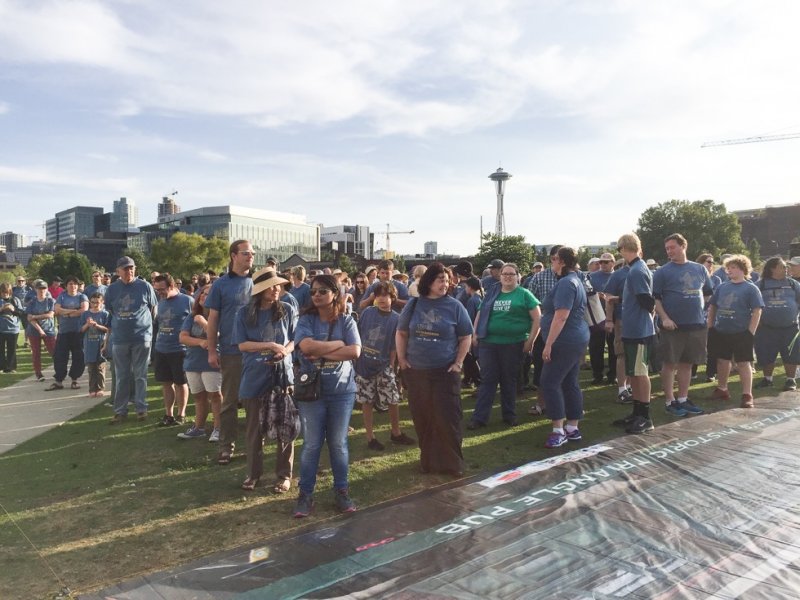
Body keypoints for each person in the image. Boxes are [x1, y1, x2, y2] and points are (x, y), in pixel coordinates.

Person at [293, 274, 361, 517]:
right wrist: (338, 344)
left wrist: (321, 352)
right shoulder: (306, 319)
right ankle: (305, 494)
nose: (316, 295)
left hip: (342, 392)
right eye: (313, 292)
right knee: (311, 444)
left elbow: (354, 352)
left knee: (338, 444)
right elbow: (306, 347)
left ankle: (341, 491)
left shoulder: (346, 320)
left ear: (335, 293)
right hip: (312, 392)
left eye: (322, 291)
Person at [396, 262, 473, 477]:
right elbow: (401, 333)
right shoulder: (414, 304)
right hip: (417, 372)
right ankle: (428, 462)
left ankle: (453, 464)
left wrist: (458, 363)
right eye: (440, 280)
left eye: (447, 281)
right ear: (429, 281)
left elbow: (466, 336)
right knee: (424, 418)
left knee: (448, 419)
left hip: (445, 372)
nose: (445, 284)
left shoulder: (455, 306)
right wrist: (402, 360)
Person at [234, 269, 297, 493]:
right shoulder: (243, 313)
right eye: (272, 285)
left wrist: (285, 351)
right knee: (254, 430)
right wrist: (270, 345)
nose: (277, 288)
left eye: (278, 285)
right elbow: (242, 344)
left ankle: (284, 475)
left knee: (285, 426)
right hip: (254, 376)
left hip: (282, 376)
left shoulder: (287, 309)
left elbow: (294, 339)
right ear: (260, 290)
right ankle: (253, 474)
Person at [469, 263, 541, 429]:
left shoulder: (524, 294)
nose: (508, 277)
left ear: (517, 276)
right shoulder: (492, 293)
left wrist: (530, 341)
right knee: (488, 380)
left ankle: (509, 415)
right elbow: (480, 313)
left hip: (513, 344)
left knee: (509, 380)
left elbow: (538, 318)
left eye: (511, 274)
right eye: (505, 274)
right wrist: (475, 333)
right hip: (489, 343)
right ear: (500, 277)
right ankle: (479, 418)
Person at [205, 240, 255, 464]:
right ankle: (226, 446)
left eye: (252, 253)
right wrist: (212, 350)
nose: (251, 256)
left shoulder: (258, 282)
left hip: (255, 351)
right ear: (233, 256)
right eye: (246, 253)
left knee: (255, 401)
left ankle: (255, 444)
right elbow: (212, 319)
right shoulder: (220, 285)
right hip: (231, 351)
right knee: (230, 402)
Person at [652, 234, 712, 417]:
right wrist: (664, 318)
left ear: (683, 246)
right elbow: (656, 299)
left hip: (695, 325)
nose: (669, 251)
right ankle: (670, 401)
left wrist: (700, 311)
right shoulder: (662, 272)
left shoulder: (700, 269)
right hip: (672, 326)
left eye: (672, 247)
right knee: (670, 364)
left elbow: (708, 293)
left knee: (687, 364)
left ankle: (683, 399)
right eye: (667, 248)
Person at [536, 248, 590, 447]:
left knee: (549, 382)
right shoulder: (574, 280)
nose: (551, 262)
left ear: (562, 262)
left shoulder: (567, 283)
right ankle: (572, 428)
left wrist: (548, 344)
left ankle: (558, 430)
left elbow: (561, 316)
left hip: (565, 340)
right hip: (574, 338)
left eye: (554, 259)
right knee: (569, 381)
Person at [355, 281, 415, 451]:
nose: (381, 299)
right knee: (366, 401)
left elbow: (394, 346)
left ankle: (396, 432)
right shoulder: (368, 312)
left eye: (385, 295)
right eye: (378, 295)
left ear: (392, 297)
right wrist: (357, 361)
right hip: (364, 364)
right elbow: (358, 335)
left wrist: (392, 366)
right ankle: (370, 437)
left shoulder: (396, 318)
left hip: (383, 365)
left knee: (392, 399)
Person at [106, 256, 159, 424]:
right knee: (121, 376)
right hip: (120, 338)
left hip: (141, 337)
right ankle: (120, 411)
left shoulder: (145, 286)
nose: (129, 271)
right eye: (125, 268)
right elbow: (111, 310)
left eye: (131, 268)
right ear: (118, 271)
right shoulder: (112, 289)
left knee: (140, 375)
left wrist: (145, 327)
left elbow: (153, 309)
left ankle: (141, 409)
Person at [707, 255, 764, 408]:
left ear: (743, 269)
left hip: (742, 332)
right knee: (722, 360)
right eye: (728, 268)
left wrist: (750, 332)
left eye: (733, 267)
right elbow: (713, 306)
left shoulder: (751, 288)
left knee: (743, 363)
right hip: (721, 331)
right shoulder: (722, 287)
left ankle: (747, 394)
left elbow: (757, 310)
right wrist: (710, 326)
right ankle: (722, 389)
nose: (729, 270)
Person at [615, 233, 657, 434]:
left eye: (619, 249)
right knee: (633, 373)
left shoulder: (637, 270)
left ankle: (645, 417)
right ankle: (637, 412)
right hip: (633, 329)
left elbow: (647, 300)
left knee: (640, 374)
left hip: (640, 330)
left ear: (624, 248)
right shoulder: (636, 268)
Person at [177, 283, 222, 442]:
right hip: (193, 362)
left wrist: (203, 322)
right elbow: (183, 337)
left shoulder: (220, 315)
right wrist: (200, 342)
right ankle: (199, 428)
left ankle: (218, 428)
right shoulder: (192, 316)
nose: (204, 296)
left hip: (212, 362)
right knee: (198, 397)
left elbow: (218, 336)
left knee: (215, 396)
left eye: (208, 294)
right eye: (203, 293)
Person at [152, 274, 193, 426]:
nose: (159, 293)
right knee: (166, 383)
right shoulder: (161, 302)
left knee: (180, 383)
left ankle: (181, 414)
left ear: (171, 286)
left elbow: (196, 320)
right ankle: (168, 415)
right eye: (157, 290)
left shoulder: (187, 301)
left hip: (180, 349)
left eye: (161, 289)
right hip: (162, 348)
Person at [754, 256, 800, 391]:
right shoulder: (760, 285)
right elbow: (752, 303)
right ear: (772, 269)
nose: (786, 269)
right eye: (782, 267)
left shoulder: (793, 284)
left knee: (791, 354)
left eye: (786, 267)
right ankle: (767, 379)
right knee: (767, 354)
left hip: (790, 327)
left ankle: (790, 380)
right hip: (767, 328)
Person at [47, 276, 88, 390]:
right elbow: (57, 310)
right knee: (60, 356)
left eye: (75, 284)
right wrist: (74, 311)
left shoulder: (82, 296)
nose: (73, 286)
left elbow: (84, 310)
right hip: (64, 331)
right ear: (66, 286)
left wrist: (67, 314)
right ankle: (59, 381)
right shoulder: (62, 296)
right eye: (70, 284)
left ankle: (74, 380)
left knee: (78, 356)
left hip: (78, 331)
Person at [588, 252, 616, 385]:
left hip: (614, 315)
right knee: (595, 347)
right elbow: (586, 293)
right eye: (601, 262)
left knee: (613, 346)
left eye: (606, 262)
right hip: (596, 316)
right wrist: (595, 294)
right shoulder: (592, 276)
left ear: (613, 263)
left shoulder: (618, 276)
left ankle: (613, 375)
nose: (603, 264)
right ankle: (597, 375)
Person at [79, 293, 110, 397]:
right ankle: (92, 389)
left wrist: (97, 325)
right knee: (91, 368)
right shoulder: (85, 314)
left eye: (97, 302)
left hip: (100, 344)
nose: (95, 305)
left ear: (102, 302)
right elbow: (81, 330)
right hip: (89, 345)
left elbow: (108, 329)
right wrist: (87, 324)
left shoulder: (105, 314)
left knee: (100, 367)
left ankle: (100, 388)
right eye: (92, 302)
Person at [26, 280, 56, 382]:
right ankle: (38, 374)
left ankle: (59, 371)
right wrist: (40, 330)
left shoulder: (51, 301)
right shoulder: (32, 302)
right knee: (36, 353)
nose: (42, 290)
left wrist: (35, 316)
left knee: (54, 351)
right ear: (36, 289)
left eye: (44, 288)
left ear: (47, 289)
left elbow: (50, 315)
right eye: (39, 289)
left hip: (48, 329)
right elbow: (29, 319)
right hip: (34, 331)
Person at [0, 283, 24, 373]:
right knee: (1, 349)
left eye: (6, 292)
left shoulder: (15, 300)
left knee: (12, 349)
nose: (4, 294)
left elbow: (21, 313)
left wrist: (13, 309)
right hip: (1, 329)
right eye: (3, 292)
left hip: (13, 329)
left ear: (10, 292)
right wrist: (2, 309)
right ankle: (1, 367)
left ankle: (11, 367)